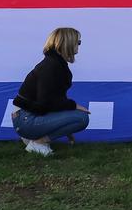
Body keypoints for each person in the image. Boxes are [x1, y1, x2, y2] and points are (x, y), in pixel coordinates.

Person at [12, 27, 91, 155]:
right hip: (26, 119)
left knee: (78, 116)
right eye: (78, 42)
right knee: (82, 118)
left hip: (27, 116)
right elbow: (46, 103)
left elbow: (55, 100)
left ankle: (35, 139)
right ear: (67, 43)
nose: (79, 45)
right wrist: (74, 106)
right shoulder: (51, 66)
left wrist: (67, 128)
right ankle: (38, 142)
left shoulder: (55, 64)